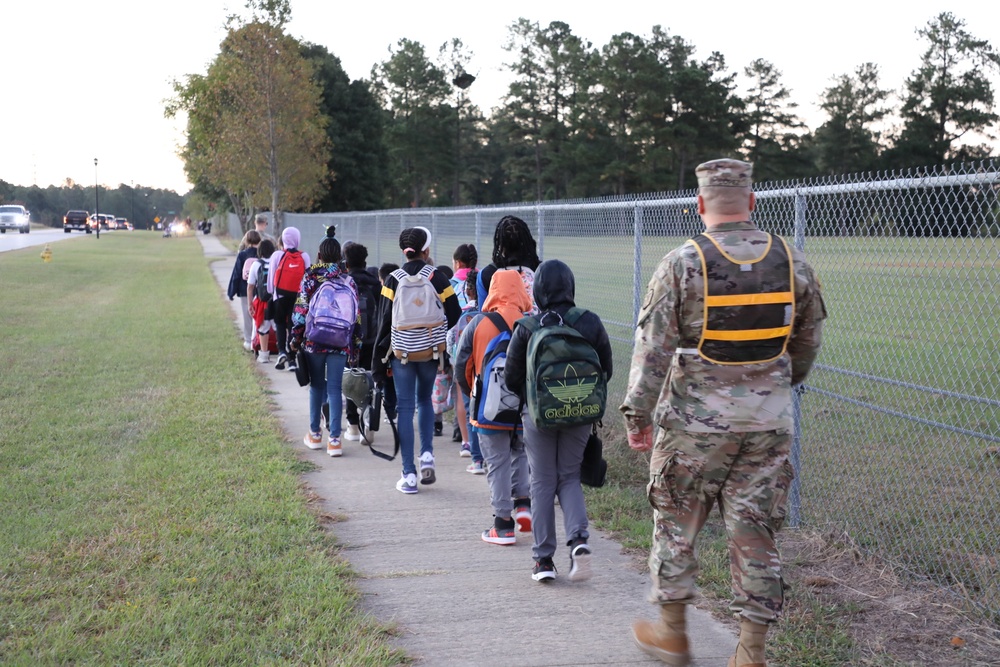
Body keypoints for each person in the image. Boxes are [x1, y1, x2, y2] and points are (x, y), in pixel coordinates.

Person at [621, 159, 827, 667]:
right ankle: (750, 654)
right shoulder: (793, 262)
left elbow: (653, 352)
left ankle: (672, 635)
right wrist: (771, 388)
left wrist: (637, 415)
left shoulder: (682, 264)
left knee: (675, 524)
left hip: (693, 429)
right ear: (752, 203)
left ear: (700, 204)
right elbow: (806, 346)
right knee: (755, 532)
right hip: (767, 426)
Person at [505, 259, 614, 582]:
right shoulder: (590, 322)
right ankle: (579, 542)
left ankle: (542, 561)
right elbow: (605, 369)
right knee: (568, 476)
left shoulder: (528, 327)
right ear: (571, 286)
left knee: (541, 481)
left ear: (537, 291)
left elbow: (512, 379)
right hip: (580, 412)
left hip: (539, 415)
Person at [373, 228, 461, 494]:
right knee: (425, 401)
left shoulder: (392, 280)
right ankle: (427, 456)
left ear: (404, 251)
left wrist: (379, 360)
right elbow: (455, 314)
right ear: (427, 250)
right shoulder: (438, 277)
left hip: (402, 354)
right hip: (431, 351)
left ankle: (408, 475)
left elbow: (384, 321)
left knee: (405, 408)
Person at [455, 270, 533, 545]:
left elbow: (461, 365)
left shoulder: (479, 322)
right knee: (520, 452)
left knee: (496, 462)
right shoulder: (531, 323)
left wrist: (472, 393)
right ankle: (524, 504)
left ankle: (502, 525)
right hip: (525, 406)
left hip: (489, 407)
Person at [290, 236, 360, 458]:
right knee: (335, 388)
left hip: (314, 340)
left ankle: (314, 434)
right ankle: (335, 441)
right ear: (340, 257)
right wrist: (355, 346)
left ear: (319, 255)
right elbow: (356, 317)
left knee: (316, 386)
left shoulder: (311, 276)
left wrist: (295, 337)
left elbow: (301, 310)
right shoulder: (348, 280)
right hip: (340, 341)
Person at [342, 241, 381, 443]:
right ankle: (369, 421)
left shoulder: (344, 282)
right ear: (365, 262)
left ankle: (352, 425)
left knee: (350, 378)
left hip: (350, 341)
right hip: (373, 341)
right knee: (369, 379)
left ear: (346, 263)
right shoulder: (375, 284)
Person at [476, 215, 540, 314]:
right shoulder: (540, 269)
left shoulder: (486, 274)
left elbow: (483, 314)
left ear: (499, 243)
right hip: (536, 328)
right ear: (526, 240)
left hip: (500, 327)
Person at [269, 227, 311, 373]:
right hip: (298, 297)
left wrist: (272, 294)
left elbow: (271, 280)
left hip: (279, 296)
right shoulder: (304, 256)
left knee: (280, 323)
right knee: (293, 326)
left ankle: (281, 351)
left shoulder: (277, 255)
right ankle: (292, 359)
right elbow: (308, 279)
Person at [228, 230, 261, 351]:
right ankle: (258, 339)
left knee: (247, 315)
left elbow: (236, 274)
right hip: (260, 289)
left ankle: (248, 341)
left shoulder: (242, 255)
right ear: (259, 240)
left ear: (246, 241)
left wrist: (231, 291)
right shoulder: (262, 254)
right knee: (259, 315)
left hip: (244, 290)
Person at [247, 239, 277, 363]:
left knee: (263, 328)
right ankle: (285, 353)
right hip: (277, 300)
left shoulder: (256, 264)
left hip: (262, 301)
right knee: (280, 327)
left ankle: (264, 355)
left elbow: (250, 287)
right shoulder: (278, 262)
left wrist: (250, 304)